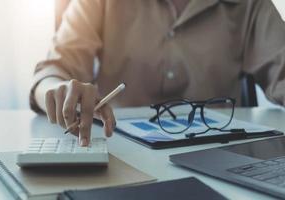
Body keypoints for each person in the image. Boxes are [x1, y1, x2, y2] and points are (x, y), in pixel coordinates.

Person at [30, 0, 285, 146]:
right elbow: (53, 72)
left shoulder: (251, 5)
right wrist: (55, 89)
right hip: (120, 153)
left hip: (217, 155)